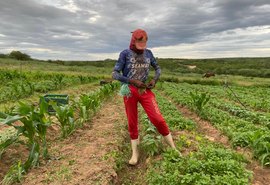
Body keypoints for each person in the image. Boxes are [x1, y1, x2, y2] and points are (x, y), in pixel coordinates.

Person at [112, 29, 178, 165]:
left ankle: (173, 148)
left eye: (144, 44)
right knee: (132, 121)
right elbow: (115, 74)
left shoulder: (148, 54)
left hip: (144, 90)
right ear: (133, 42)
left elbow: (158, 68)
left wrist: (155, 79)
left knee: (158, 119)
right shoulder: (125, 54)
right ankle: (134, 154)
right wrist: (131, 81)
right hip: (129, 90)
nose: (142, 47)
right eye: (139, 44)